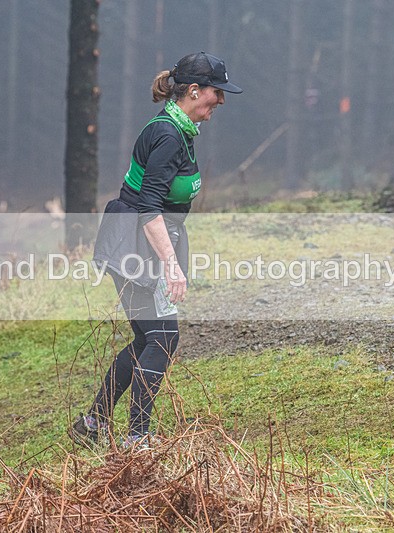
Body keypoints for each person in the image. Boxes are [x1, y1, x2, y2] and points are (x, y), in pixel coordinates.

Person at [69, 52, 242, 450]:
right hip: (135, 243)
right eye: (216, 92)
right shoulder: (167, 135)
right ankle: (137, 440)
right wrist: (171, 266)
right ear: (194, 90)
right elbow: (149, 208)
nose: (221, 100)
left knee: (149, 338)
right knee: (162, 339)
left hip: (143, 239)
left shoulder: (180, 130)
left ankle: (93, 423)